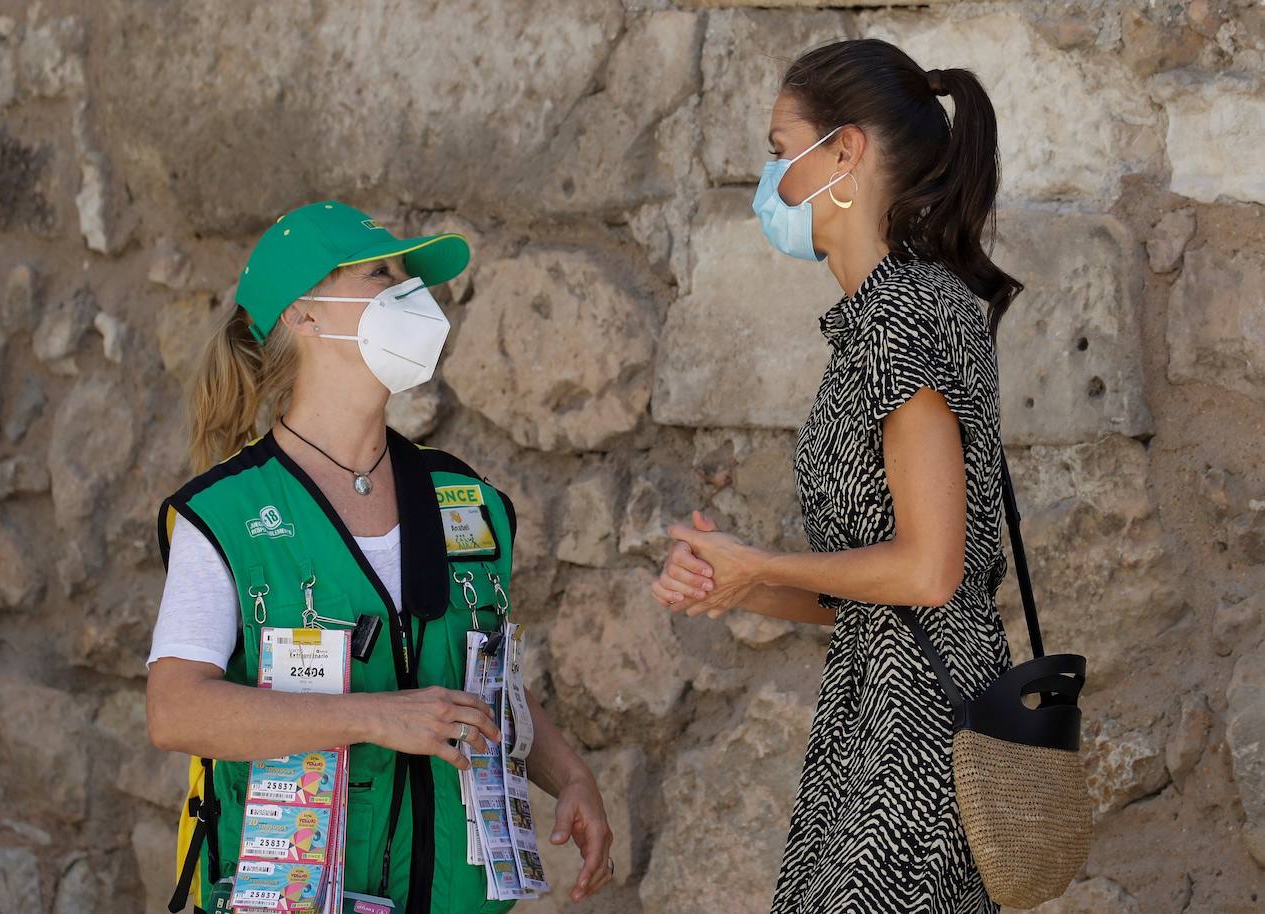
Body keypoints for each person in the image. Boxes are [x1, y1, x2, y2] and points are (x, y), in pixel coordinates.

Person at [146, 201, 613, 914]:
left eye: (409, 276)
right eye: (381, 273)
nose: (412, 295)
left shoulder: (469, 502)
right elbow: (176, 711)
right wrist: (372, 716)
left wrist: (570, 773)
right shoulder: (226, 515)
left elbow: (469, 684)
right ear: (303, 314)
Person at [652, 39, 1023, 913]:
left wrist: (763, 566)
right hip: (876, 716)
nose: (771, 179)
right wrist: (735, 582)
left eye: (782, 150)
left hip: (920, 732)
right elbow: (868, 590)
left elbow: (928, 573)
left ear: (844, 152)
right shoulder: (879, 316)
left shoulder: (901, 313)